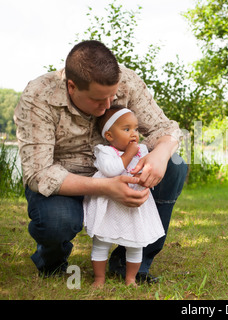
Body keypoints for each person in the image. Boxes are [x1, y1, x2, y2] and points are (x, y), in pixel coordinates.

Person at [14, 40, 188, 283]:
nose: (108, 105)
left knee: (176, 165)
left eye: (112, 97)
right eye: (98, 100)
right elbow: (38, 173)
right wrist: (106, 186)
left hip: (122, 172)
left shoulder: (127, 81)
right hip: (67, 180)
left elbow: (166, 128)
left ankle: (132, 263)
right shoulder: (38, 95)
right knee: (56, 221)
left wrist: (160, 155)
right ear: (72, 87)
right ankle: (52, 261)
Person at [84, 105, 165, 287]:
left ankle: (130, 278)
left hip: (134, 206)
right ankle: (99, 278)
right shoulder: (105, 152)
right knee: (101, 242)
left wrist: (143, 173)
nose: (134, 133)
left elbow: (146, 168)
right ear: (110, 136)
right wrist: (129, 154)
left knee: (136, 244)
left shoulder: (142, 151)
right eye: (126, 129)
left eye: (135, 129)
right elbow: (111, 170)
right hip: (109, 206)